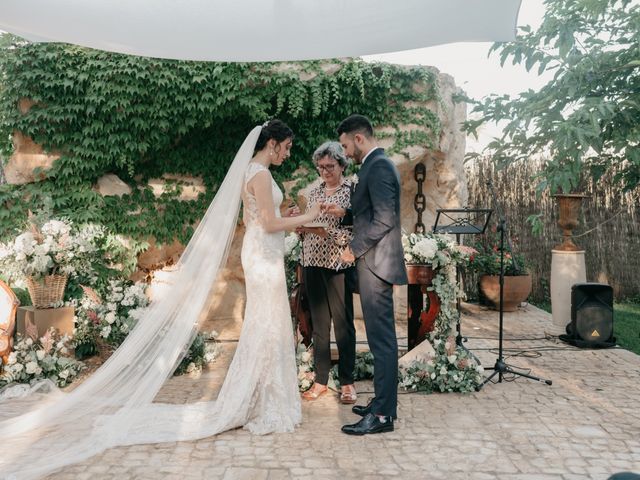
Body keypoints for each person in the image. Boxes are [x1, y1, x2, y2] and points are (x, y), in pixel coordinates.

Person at [0, 120, 321, 478]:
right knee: (268, 324)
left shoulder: (255, 171)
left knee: (268, 324)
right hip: (263, 258)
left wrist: (288, 216)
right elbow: (268, 223)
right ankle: (262, 401)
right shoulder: (259, 173)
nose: (288, 153)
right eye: (287, 147)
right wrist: (309, 216)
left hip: (262, 254)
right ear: (273, 143)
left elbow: (266, 219)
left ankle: (259, 398)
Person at [325, 114, 407, 435]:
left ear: (359, 139)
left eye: (345, 145)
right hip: (372, 262)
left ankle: (384, 416)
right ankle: (382, 403)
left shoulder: (380, 166)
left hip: (376, 263)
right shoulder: (373, 166)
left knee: (382, 342)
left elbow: (385, 218)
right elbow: (369, 210)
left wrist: (354, 248)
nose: (345, 153)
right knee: (378, 341)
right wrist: (343, 212)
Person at [297, 141, 357, 404]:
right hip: (311, 260)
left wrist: (326, 231)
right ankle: (321, 381)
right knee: (320, 325)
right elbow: (309, 221)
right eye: (320, 167)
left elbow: (353, 230)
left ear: (342, 165)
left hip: (338, 264)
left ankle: (347, 383)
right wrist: (300, 225)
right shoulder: (314, 192)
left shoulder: (350, 191)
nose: (325, 172)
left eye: (330, 166)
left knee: (343, 326)